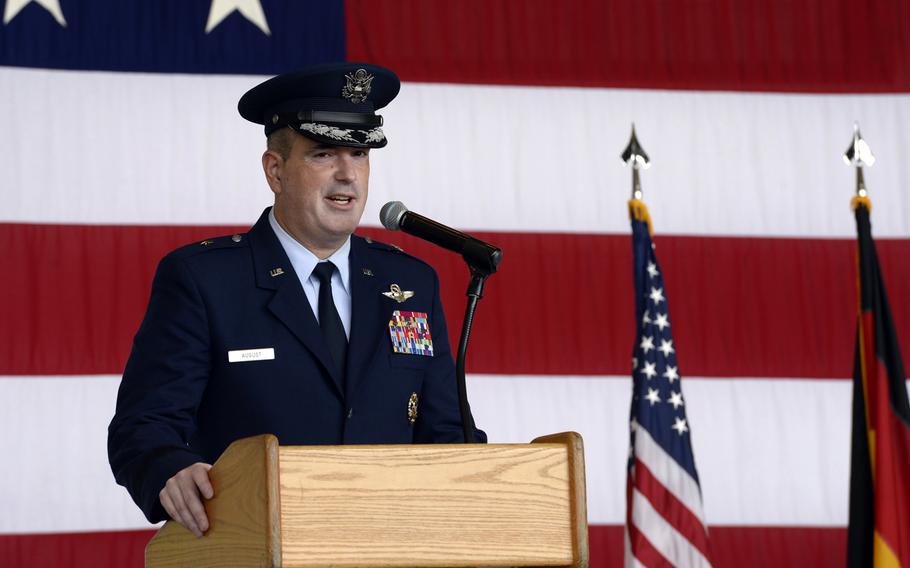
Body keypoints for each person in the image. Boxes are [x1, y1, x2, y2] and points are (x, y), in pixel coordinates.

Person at [108, 63, 486, 538]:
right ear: (276, 170)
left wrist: (488, 481)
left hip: (390, 544)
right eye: (324, 154)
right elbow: (143, 427)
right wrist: (169, 468)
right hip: (257, 543)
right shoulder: (204, 279)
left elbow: (446, 433)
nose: (347, 174)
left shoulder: (410, 282)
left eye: (360, 154)